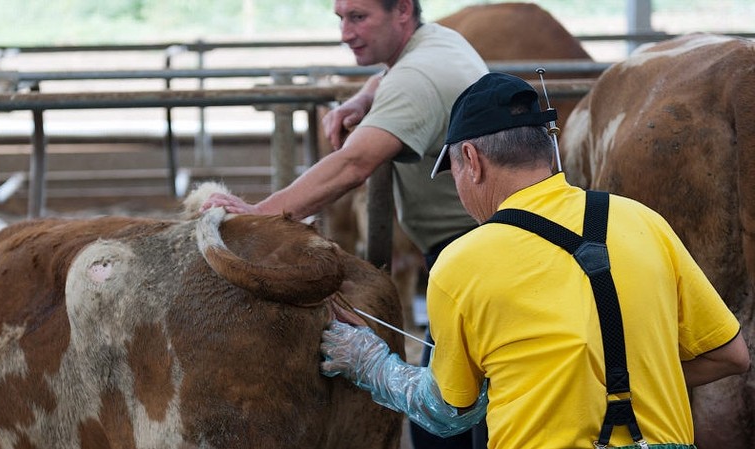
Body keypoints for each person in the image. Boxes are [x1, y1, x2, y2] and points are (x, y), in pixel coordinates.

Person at [319, 72, 751, 448]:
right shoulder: (643, 221)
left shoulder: (461, 262)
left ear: (471, 160)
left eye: (454, 172)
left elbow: (449, 411)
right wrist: (627, 376)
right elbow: (731, 355)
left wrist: (371, 364)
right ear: (548, 151)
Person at [202, 2, 488, 446]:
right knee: (454, 403)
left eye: (358, 17)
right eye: (340, 18)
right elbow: (390, 78)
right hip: (475, 245)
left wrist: (258, 215)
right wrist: (363, 99)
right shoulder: (436, 43)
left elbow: (353, 165)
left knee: (447, 414)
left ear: (402, 11)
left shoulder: (417, 77)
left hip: (471, 255)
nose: (344, 32)